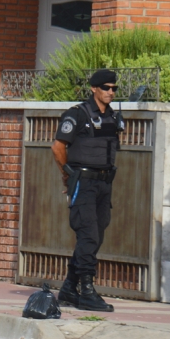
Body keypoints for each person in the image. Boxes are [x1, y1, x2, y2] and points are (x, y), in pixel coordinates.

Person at [52, 69, 122, 312]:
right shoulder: (78, 114)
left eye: (114, 88)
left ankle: (69, 288)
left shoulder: (112, 116)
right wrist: (67, 175)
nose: (111, 92)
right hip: (84, 182)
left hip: (104, 183)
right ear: (94, 89)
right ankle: (87, 290)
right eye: (106, 88)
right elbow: (58, 147)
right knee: (88, 235)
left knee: (95, 237)